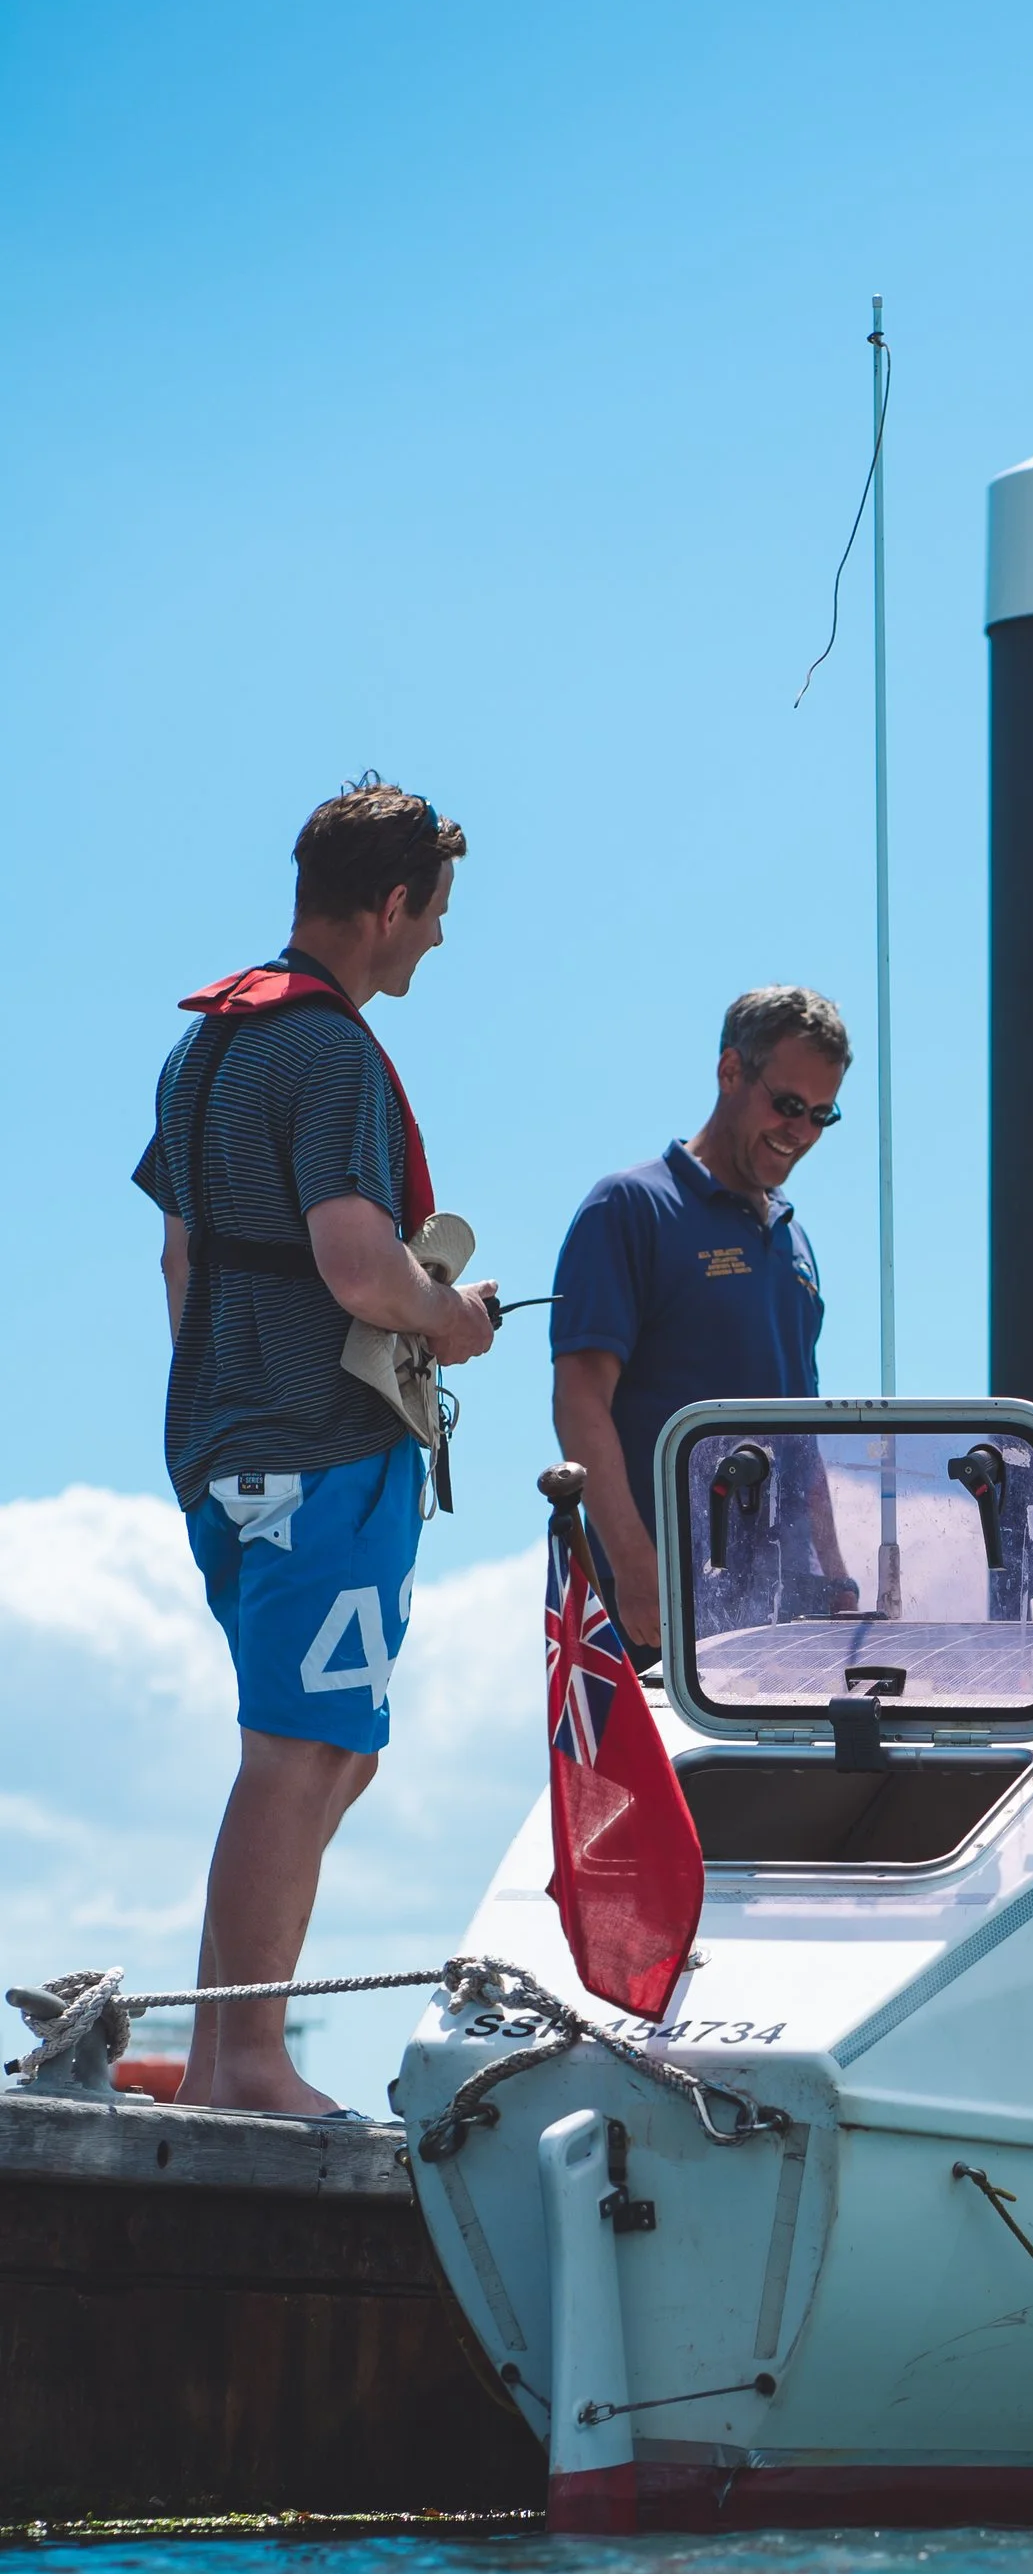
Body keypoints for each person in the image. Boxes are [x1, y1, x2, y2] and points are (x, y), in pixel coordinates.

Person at [136, 777, 498, 2117]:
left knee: (330, 1744)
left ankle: (230, 2042)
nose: (439, 942)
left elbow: (179, 1255)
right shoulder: (330, 1050)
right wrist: (449, 1318)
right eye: (437, 913)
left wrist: (227, 1407)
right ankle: (243, 2062)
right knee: (299, 1750)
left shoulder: (208, 1049)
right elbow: (360, 1267)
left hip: (226, 1443)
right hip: (322, 1453)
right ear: (393, 904)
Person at [551, 987, 859, 1659]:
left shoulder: (794, 1240)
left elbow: (802, 1428)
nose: (800, 1132)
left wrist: (836, 1576)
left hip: (784, 1615)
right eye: (786, 1105)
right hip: (657, 1613)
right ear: (729, 1072)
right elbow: (579, 1402)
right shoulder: (629, 1207)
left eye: (820, 1115)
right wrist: (634, 1568)